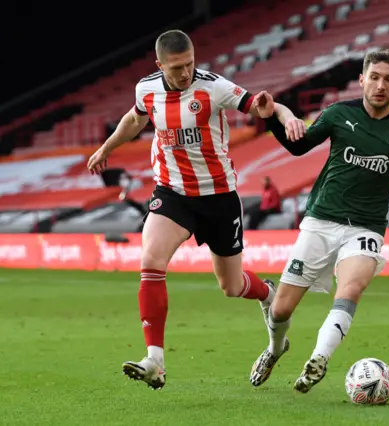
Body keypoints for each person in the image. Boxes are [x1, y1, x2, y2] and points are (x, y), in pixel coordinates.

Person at [86, 29, 300, 390]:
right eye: (176, 68)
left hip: (218, 197)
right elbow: (136, 119)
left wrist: (284, 114)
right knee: (150, 259)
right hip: (172, 193)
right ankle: (155, 359)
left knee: (231, 286)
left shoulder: (212, 87)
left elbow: (264, 105)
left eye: (189, 64)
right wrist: (107, 148)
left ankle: (265, 291)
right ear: (159, 66)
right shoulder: (146, 89)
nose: (185, 73)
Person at [249, 48, 389, 393]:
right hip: (321, 221)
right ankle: (275, 348)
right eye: (374, 77)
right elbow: (299, 148)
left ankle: (319, 358)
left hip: (366, 227)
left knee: (351, 287)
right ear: (362, 80)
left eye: (388, 79)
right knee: (280, 310)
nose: (380, 85)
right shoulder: (338, 114)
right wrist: (270, 119)